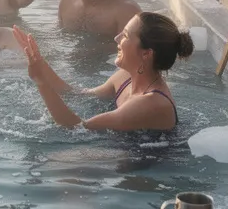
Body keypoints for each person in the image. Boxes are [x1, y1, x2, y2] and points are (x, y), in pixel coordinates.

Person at [14, 12, 192, 132]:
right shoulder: (125, 77)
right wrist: (39, 62)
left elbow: (77, 128)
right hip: (124, 151)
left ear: (146, 53)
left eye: (126, 36)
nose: (117, 39)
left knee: (63, 166)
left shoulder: (153, 103)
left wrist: (41, 83)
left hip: (148, 169)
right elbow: (76, 95)